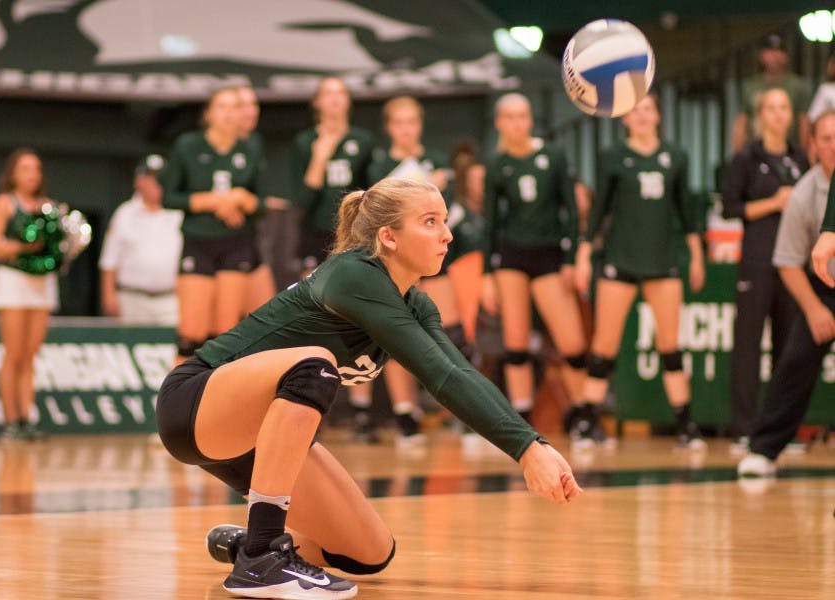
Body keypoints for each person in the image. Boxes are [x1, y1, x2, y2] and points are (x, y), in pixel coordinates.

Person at [156, 178, 583, 599]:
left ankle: (245, 544)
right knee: (314, 364)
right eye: (430, 222)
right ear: (388, 237)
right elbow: (441, 377)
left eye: (446, 221)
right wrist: (525, 451)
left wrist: (535, 444)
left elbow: (457, 374)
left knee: (369, 552)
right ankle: (262, 560)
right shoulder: (352, 275)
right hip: (195, 404)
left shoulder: (417, 303)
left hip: (261, 440)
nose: (448, 235)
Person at [574, 95, 707, 450]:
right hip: (621, 257)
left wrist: (696, 256)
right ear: (625, 119)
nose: (642, 115)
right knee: (604, 343)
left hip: (662, 259)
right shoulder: (613, 157)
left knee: (670, 344)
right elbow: (600, 208)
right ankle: (587, 419)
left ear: (658, 115)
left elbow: (686, 210)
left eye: (648, 108)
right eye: (635, 110)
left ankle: (685, 423)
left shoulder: (676, 157)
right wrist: (584, 255)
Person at [483, 93, 591, 444]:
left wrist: (573, 258)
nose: (517, 123)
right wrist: (487, 274)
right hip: (512, 256)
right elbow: (490, 223)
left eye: (523, 116)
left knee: (572, 344)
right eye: (510, 117)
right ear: (500, 123)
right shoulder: (497, 164)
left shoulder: (553, 156)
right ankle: (523, 422)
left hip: (549, 256)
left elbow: (571, 213)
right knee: (515, 344)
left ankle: (582, 415)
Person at [349, 95, 454, 447]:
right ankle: (405, 412)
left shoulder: (436, 160)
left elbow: (445, 214)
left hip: (435, 259)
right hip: (397, 260)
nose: (406, 129)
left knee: (449, 331)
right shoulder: (378, 162)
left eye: (412, 122)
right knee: (396, 333)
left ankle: (458, 411)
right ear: (389, 127)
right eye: (399, 123)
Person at [737, 110, 835, 476]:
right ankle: (763, 449)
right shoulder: (805, 193)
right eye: (825, 138)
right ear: (812, 146)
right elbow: (788, 261)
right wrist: (814, 310)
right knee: (794, 361)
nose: (833, 145)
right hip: (823, 290)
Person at [722, 87, 809, 454]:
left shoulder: (800, 160)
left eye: (783, 106)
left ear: (791, 114)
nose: (777, 113)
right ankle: (744, 428)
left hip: (792, 264)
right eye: (770, 107)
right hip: (756, 260)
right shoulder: (745, 158)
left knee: (788, 347)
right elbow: (731, 208)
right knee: (747, 345)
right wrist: (774, 202)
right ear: (760, 114)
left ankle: (779, 431)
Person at [163, 86, 266, 365]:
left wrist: (242, 200)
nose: (229, 113)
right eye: (222, 106)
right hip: (199, 241)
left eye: (235, 107)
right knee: (191, 333)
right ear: (208, 113)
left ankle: (217, 403)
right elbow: (168, 197)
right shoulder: (188, 145)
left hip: (236, 242)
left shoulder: (250, 148)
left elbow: (262, 203)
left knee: (226, 334)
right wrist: (213, 201)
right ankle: (175, 403)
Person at [0, 148, 57, 441]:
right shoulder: (4, 203)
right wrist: (25, 246)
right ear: (13, 174)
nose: (32, 175)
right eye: (26, 169)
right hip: (12, 281)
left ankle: (26, 417)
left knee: (30, 355)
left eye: (36, 169)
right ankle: (10, 419)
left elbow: (58, 246)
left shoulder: (48, 207)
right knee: (13, 353)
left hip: (41, 283)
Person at [292, 76, 375, 274]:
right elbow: (302, 201)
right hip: (316, 232)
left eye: (340, 93)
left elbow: (372, 192)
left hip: (355, 233)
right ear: (317, 102)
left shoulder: (363, 140)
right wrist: (319, 159)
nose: (335, 99)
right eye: (328, 93)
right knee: (313, 298)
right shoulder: (304, 142)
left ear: (348, 100)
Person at [99, 154, 184, 326]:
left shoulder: (178, 212)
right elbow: (109, 259)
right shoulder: (125, 213)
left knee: (175, 346)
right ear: (139, 181)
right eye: (150, 178)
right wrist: (109, 294)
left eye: (160, 178)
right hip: (132, 296)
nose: (156, 183)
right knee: (132, 346)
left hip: (170, 297)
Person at [236, 85, 281, 313]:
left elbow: (256, 196)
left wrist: (261, 203)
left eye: (254, 104)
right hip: (218, 242)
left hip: (250, 240)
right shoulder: (206, 147)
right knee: (220, 328)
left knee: (266, 319)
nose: (251, 111)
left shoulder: (254, 142)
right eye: (242, 105)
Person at [731, 34, 811, 152]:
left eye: (779, 51)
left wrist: (804, 153)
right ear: (761, 55)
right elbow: (742, 122)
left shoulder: (797, 86)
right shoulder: (750, 86)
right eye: (770, 51)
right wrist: (738, 153)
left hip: (789, 150)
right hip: (756, 151)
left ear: (786, 56)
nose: (774, 56)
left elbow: (804, 121)